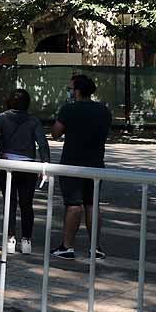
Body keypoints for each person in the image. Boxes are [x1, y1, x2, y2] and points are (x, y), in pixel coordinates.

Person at [51, 74, 112, 260]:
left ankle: (67, 246)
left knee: (73, 205)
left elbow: (55, 133)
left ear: (77, 91)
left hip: (72, 164)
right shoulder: (103, 110)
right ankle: (96, 247)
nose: (69, 91)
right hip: (95, 163)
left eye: (70, 88)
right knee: (92, 205)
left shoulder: (69, 109)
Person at [0, 89, 51, 255]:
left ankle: (10, 239)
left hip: (7, 162)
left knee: (10, 202)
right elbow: (43, 144)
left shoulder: (2, 117)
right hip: (28, 165)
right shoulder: (33, 120)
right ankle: (26, 241)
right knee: (26, 204)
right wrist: (45, 164)